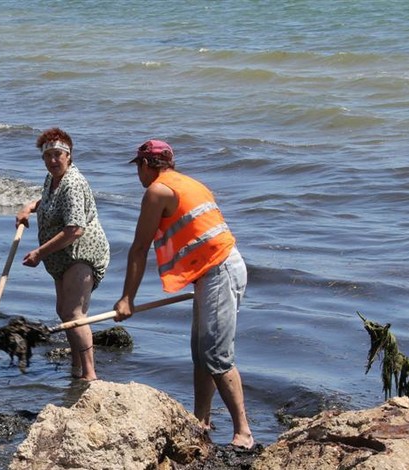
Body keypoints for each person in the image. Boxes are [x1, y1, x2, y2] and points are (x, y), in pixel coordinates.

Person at [113, 139, 253, 448]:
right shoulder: (188, 182)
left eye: (138, 167)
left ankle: (243, 433)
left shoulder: (157, 191)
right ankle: (200, 422)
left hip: (220, 270)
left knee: (216, 354)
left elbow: (139, 249)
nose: (138, 174)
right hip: (217, 269)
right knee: (201, 355)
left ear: (146, 166)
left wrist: (127, 299)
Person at [16, 128, 110, 381]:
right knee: (64, 311)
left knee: (74, 313)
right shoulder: (52, 179)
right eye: (47, 156)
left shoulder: (72, 183)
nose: (52, 161)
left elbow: (75, 229)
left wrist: (38, 252)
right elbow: (47, 201)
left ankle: (89, 375)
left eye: (58, 155)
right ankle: (77, 367)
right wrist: (29, 207)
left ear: (69, 156)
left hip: (81, 253)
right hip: (61, 257)